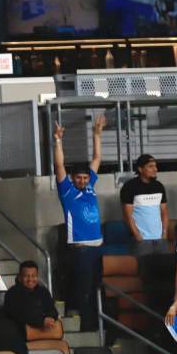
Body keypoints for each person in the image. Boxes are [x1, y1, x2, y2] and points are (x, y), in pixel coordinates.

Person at [53, 119, 104, 330]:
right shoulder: (68, 191)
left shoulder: (90, 186)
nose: (83, 181)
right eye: (79, 178)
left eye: (85, 178)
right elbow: (59, 165)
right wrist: (58, 141)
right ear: (73, 179)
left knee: (97, 288)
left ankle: (97, 324)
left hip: (98, 247)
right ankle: (88, 328)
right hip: (81, 250)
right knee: (85, 290)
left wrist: (97, 134)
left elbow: (97, 158)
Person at [120, 154, 169, 250]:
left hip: (159, 238)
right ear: (140, 169)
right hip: (140, 240)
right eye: (151, 166)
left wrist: (164, 233)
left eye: (155, 166)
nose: (155, 169)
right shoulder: (129, 187)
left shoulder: (159, 186)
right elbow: (127, 216)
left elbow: (164, 212)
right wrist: (138, 237)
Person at [2, 260, 59, 336]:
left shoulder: (43, 291)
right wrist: (42, 321)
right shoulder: (12, 293)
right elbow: (22, 315)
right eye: (26, 276)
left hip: (44, 333)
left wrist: (49, 319)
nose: (30, 279)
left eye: (33, 276)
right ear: (20, 277)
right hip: (19, 336)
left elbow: (53, 311)